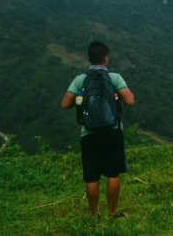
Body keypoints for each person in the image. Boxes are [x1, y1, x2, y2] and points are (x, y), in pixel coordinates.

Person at [60, 41, 135, 219]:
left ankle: (94, 215)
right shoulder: (114, 78)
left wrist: (80, 95)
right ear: (105, 59)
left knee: (91, 176)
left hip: (89, 133)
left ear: (89, 59)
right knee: (112, 173)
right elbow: (130, 101)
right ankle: (112, 212)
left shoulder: (81, 80)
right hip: (112, 131)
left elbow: (64, 104)